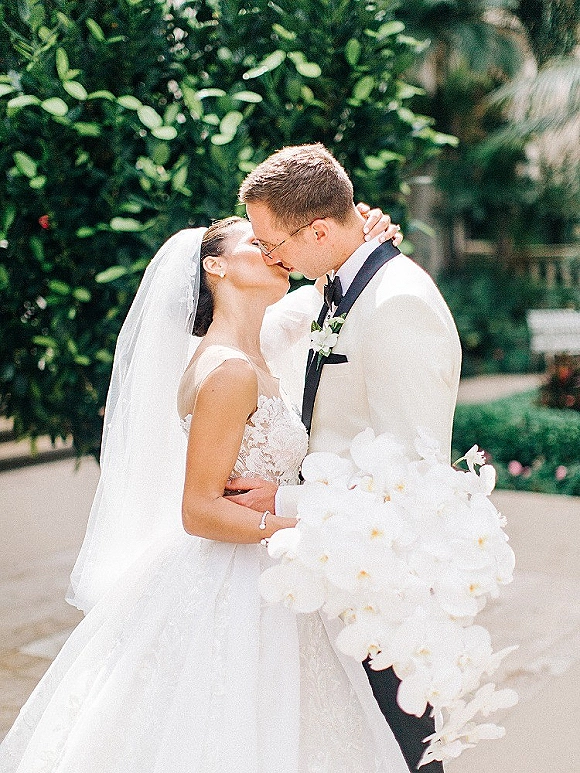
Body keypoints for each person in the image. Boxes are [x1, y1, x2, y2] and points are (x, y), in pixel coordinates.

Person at [0, 216, 410, 772]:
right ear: (215, 265)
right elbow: (198, 511)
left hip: (268, 572)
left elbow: (318, 284)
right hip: (239, 582)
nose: (274, 250)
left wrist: (359, 235)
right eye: (257, 243)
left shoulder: (251, 348)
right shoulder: (229, 370)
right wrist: (302, 523)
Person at [229, 143, 462, 773]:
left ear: (319, 231)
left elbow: (412, 475)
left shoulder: (398, 302)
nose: (270, 256)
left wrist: (284, 500)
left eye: (272, 243)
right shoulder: (337, 284)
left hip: (386, 576)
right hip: (340, 561)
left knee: (405, 747)